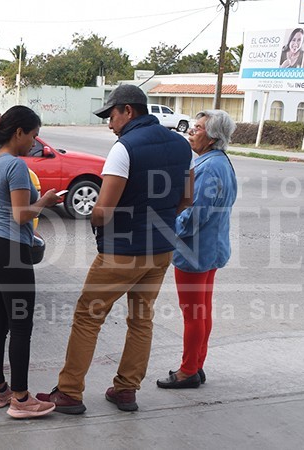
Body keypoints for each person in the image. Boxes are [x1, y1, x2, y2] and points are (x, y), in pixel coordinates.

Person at [36, 84, 193, 414]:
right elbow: (186, 199)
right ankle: (126, 390)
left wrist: (93, 218)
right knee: (141, 319)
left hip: (122, 251)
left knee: (87, 317)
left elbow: (103, 211)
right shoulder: (182, 145)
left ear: (128, 111)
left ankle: (69, 392)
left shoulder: (125, 149)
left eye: (111, 116)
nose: (109, 124)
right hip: (161, 250)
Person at [0, 105, 61, 419]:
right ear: (19, 132)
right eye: (33, 136)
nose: (35, 142)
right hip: (11, 251)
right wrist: (46, 201)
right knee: (21, 327)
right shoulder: (15, 166)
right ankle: (22, 399)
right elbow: (21, 215)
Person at [156, 110, 237, 389]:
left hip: (194, 252)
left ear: (212, 137)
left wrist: (168, 230)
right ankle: (196, 365)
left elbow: (194, 216)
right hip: (210, 249)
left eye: (199, 128)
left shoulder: (208, 167)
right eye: (193, 126)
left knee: (193, 314)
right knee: (202, 312)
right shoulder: (220, 162)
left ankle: (188, 370)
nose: (191, 131)